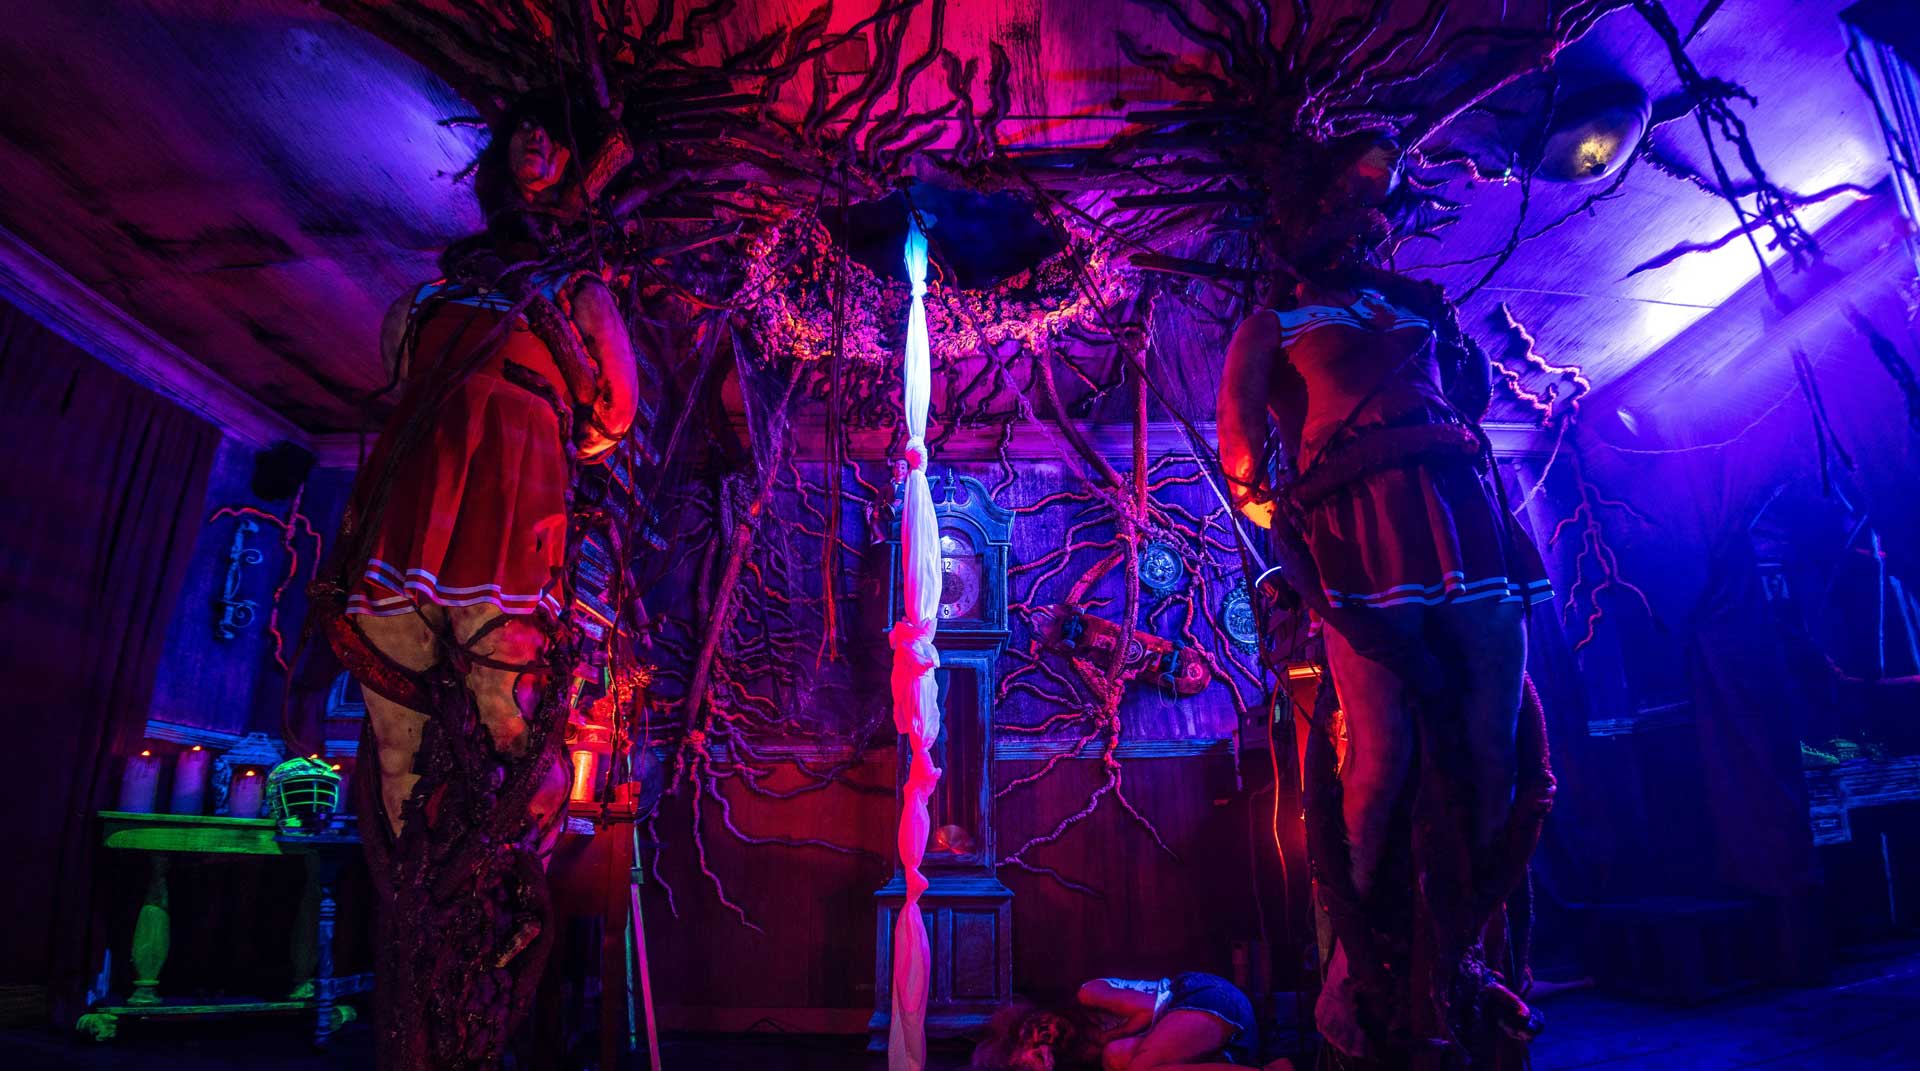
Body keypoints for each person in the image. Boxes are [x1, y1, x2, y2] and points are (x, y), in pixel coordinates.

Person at [1215, 134, 1552, 1058]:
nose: (1361, 228)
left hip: (1465, 507)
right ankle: (1352, 976)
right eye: (1341, 211)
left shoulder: (1413, 307)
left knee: (1493, 743)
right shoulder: (1271, 324)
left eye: (1369, 214)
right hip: (1362, 526)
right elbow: (1241, 456)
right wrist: (1296, 527)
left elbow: (1471, 399)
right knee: (1381, 751)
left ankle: (1475, 949)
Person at [325, 98, 641, 840]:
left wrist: (542, 430)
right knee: (395, 691)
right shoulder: (438, 291)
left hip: (513, 471)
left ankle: (510, 832)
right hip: (426, 466)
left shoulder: (579, 291)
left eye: (552, 134)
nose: (536, 141)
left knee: (505, 687)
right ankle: (409, 849)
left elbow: (615, 409)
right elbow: (402, 362)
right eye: (525, 129)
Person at [975, 973, 1280, 1071]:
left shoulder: (1088, 994)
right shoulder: (1087, 1050)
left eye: (1036, 1025)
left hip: (1206, 998)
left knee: (1137, 1066)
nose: (1046, 1033)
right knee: (1116, 1057)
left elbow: (1148, 1009)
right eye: (1039, 1040)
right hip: (1227, 1045)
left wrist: (1105, 1037)